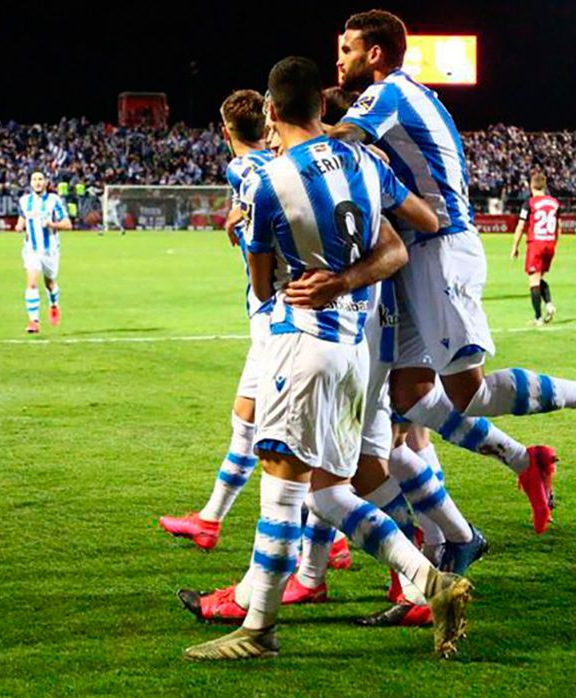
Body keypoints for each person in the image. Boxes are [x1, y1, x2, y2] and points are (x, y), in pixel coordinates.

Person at [182, 56, 472, 662]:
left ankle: (257, 630)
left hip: (301, 345)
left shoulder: (264, 184)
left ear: (271, 110)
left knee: (283, 491)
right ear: (321, 105)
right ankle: (431, 581)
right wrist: (348, 276)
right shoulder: (369, 162)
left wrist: (296, 261)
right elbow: (410, 230)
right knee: (329, 495)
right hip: (354, 350)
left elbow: (264, 288)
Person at [328, 10, 576, 539]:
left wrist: (286, 150)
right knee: (406, 401)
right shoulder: (408, 98)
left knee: (464, 396)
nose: (339, 60)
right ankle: (461, 525)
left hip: (440, 246)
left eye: (346, 49)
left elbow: (340, 141)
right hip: (418, 254)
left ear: (375, 53)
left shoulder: (387, 94)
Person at [159, 89, 280, 550]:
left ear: (226, 132)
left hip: (276, 316)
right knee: (247, 421)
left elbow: (263, 239)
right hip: (269, 317)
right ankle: (210, 519)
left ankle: (327, 540)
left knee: (282, 437)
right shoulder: (274, 163)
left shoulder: (242, 168)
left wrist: (246, 224)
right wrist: (242, 213)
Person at [14, 171, 71, 333]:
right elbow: (22, 219)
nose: (37, 182)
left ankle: (54, 305)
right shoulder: (24, 201)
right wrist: (19, 226)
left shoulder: (54, 200)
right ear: (30, 183)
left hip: (50, 250)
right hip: (31, 249)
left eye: (40, 179)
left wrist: (52, 225)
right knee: (32, 282)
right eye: (34, 179)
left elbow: (68, 224)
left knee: (50, 283)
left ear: (45, 182)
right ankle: (34, 322)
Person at [511, 172, 560, 325]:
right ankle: (549, 304)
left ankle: (538, 317)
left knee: (533, 281)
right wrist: (554, 242)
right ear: (544, 185)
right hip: (550, 242)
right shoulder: (555, 203)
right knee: (539, 278)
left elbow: (520, 226)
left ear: (531, 186)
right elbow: (559, 226)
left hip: (536, 243)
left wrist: (515, 246)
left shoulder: (529, 203)